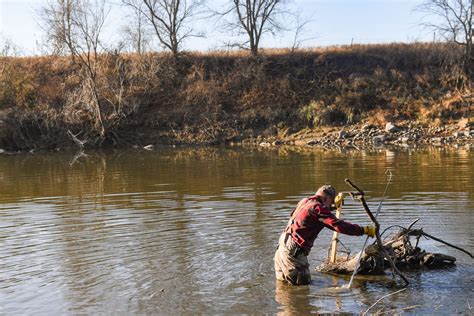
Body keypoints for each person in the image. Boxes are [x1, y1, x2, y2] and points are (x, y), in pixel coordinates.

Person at [274, 185, 376, 285]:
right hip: (294, 253)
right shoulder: (318, 208)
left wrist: (333, 206)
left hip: (282, 248)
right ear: (327, 198)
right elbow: (338, 226)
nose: (330, 204)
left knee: (283, 288)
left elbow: (317, 212)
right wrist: (363, 230)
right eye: (331, 202)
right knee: (302, 290)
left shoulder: (305, 201)